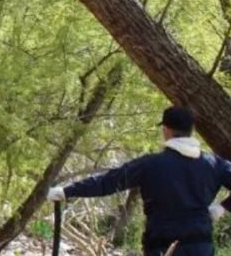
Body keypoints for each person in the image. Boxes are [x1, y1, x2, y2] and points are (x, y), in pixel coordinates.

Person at [47, 106, 231, 255]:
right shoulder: (214, 164)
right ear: (191, 132)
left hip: (163, 245)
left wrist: (67, 191)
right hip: (201, 246)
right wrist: (221, 208)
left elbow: (108, 182)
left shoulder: (151, 165)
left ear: (166, 130)